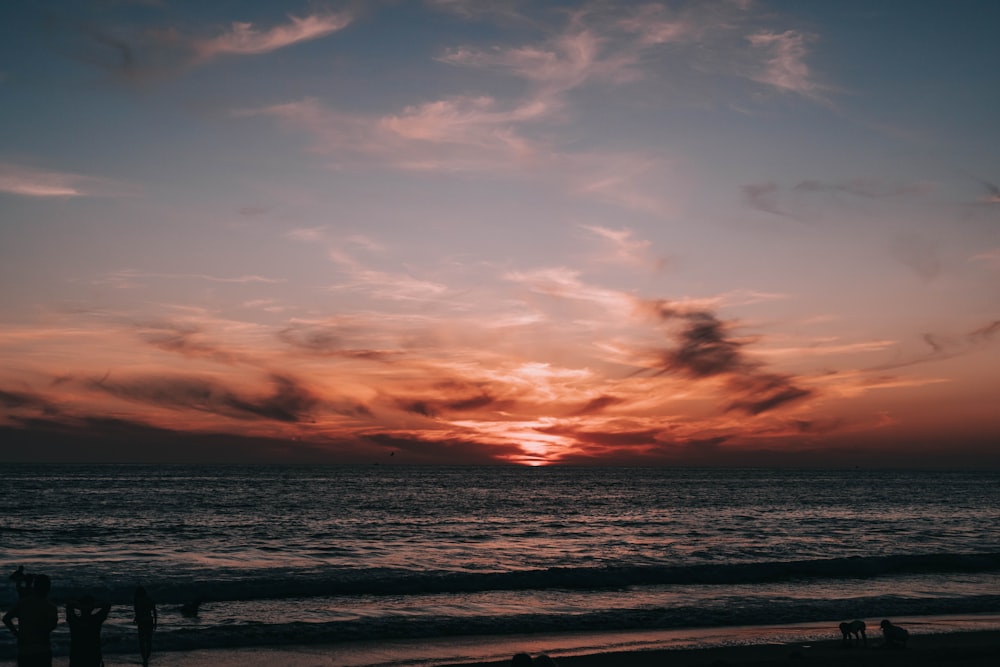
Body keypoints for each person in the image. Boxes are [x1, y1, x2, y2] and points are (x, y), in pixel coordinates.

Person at [2, 574, 59, 667]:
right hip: (43, 650)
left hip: (25, 650)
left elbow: (6, 619)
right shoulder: (50, 607)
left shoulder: (24, 603)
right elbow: (51, 627)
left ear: (35, 586)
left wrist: (17, 635)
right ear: (48, 588)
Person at [66, 595, 112, 667]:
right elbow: (107, 605)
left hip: (76, 655)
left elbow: (69, 605)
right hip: (93, 654)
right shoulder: (96, 620)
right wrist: (92, 606)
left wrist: (81, 606)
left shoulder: (74, 621)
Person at [133, 586, 157, 667]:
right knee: (149, 640)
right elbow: (154, 611)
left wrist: (136, 618)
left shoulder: (137, 600)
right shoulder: (150, 599)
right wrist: (156, 622)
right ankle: (146, 658)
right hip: (149, 621)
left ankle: (144, 659)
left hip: (141, 622)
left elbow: (137, 612)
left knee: (141, 641)